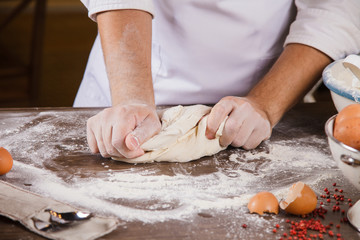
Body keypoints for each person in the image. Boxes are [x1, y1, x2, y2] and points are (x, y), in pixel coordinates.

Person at [75, 0, 360, 159]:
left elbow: (333, 9)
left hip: (270, 100)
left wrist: (264, 104)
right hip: (124, 92)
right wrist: (132, 96)